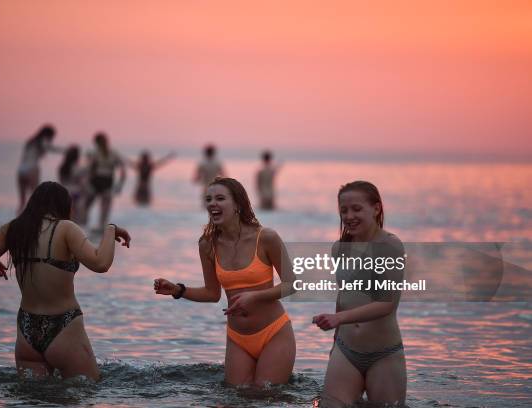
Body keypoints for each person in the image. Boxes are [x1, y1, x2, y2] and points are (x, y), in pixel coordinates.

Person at [0, 181, 131, 380]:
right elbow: (101, 264)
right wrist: (110, 230)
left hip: (26, 331)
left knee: (34, 400)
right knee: (89, 391)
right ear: (63, 206)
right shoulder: (66, 229)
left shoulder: (13, 230)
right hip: (64, 327)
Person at [154, 177, 296, 386]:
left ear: (237, 204)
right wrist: (178, 290)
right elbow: (212, 294)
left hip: (274, 332)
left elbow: (292, 284)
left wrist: (254, 297)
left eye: (220, 198)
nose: (212, 204)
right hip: (238, 337)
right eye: (209, 199)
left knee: (264, 395)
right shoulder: (207, 244)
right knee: (236, 396)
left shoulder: (265, 237)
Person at [313, 181, 406, 406]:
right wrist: (335, 342)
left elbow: (387, 305)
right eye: (343, 210)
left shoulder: (390, 246)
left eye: (356, 208)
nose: (348, 215)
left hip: (383, 353)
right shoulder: (340, 248)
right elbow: (343, 298)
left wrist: (338, 319)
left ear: (376, 208)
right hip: (346, 351)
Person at [85, 133, 126, 230]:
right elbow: (89, 170)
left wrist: (120, 185)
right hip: (96, 181)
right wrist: (87, 183)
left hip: (107, 182)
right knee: (87, 205)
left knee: (104, 208)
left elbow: (122, 169)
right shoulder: (95, 153)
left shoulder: (113, 153)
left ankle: (100, 227)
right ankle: (84, 225)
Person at [17, 125, 60, 214]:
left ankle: (17, 220)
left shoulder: (31, 141)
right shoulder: (42, 141)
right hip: (31, 168)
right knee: (35, 196)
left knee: (22, 200)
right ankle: (34, 220)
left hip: (21, 169)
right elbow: (50, 148)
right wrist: (65, 151)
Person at [58, 145, 87, 223]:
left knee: (68, 215)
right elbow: (81, 181)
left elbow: (61, 181)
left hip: (65, 192)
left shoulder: (62, 167)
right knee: (77, 215)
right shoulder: (77, 168)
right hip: (76, 192)